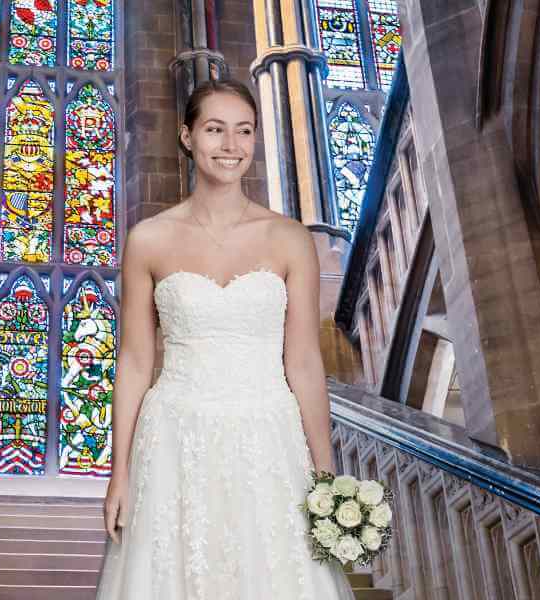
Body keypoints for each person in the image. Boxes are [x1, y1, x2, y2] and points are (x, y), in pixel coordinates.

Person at [94, 78, 357, 599]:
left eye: (244, 131)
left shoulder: (288, 239)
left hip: (268, 437)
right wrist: (118, 471)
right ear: (188, 137)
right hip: (173, 438)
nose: (231, 146)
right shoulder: (148, 239)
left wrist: (326, 469)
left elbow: (303, 360)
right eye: (216, 130)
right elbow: (135, 362)